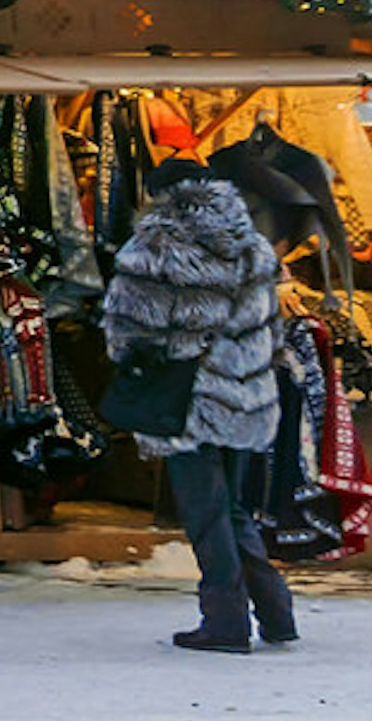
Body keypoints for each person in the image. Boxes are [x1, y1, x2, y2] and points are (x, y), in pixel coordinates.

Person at [101, 161, 292, 654]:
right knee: (232, 507)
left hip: (186, 400)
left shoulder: (156, 245)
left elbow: (128, 327)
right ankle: (276, 614)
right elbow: (272, 327)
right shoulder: (252, 242)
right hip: (246, 394)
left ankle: (225, 623)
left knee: (207, 514)